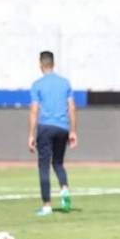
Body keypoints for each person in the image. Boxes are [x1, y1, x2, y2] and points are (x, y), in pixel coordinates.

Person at [28, 51, 77, 216]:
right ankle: (64, 188)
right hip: (62, 128)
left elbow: (34, 110)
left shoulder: (37, 84)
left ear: (40, 64)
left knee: (44, 166)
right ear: (53, 64)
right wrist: (73, 131)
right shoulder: (65, 83)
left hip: (45, 127)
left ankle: (47, 205)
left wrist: (31, 134)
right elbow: (72, 107)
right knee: (58, 163)